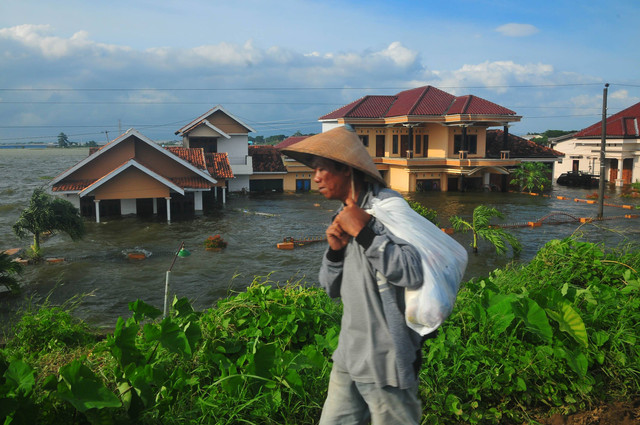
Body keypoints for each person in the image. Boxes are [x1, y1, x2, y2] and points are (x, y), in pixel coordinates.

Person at [280, 126, 425, 425]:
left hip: (385, 359)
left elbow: (412, 271)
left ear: (345, 170)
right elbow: (330, 289)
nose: (316, 177)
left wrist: (366, 233)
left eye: (322, 169)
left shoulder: (386, 210)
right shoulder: (342, 216)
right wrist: (334, 252)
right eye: (314, 170)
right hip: (349, 354)